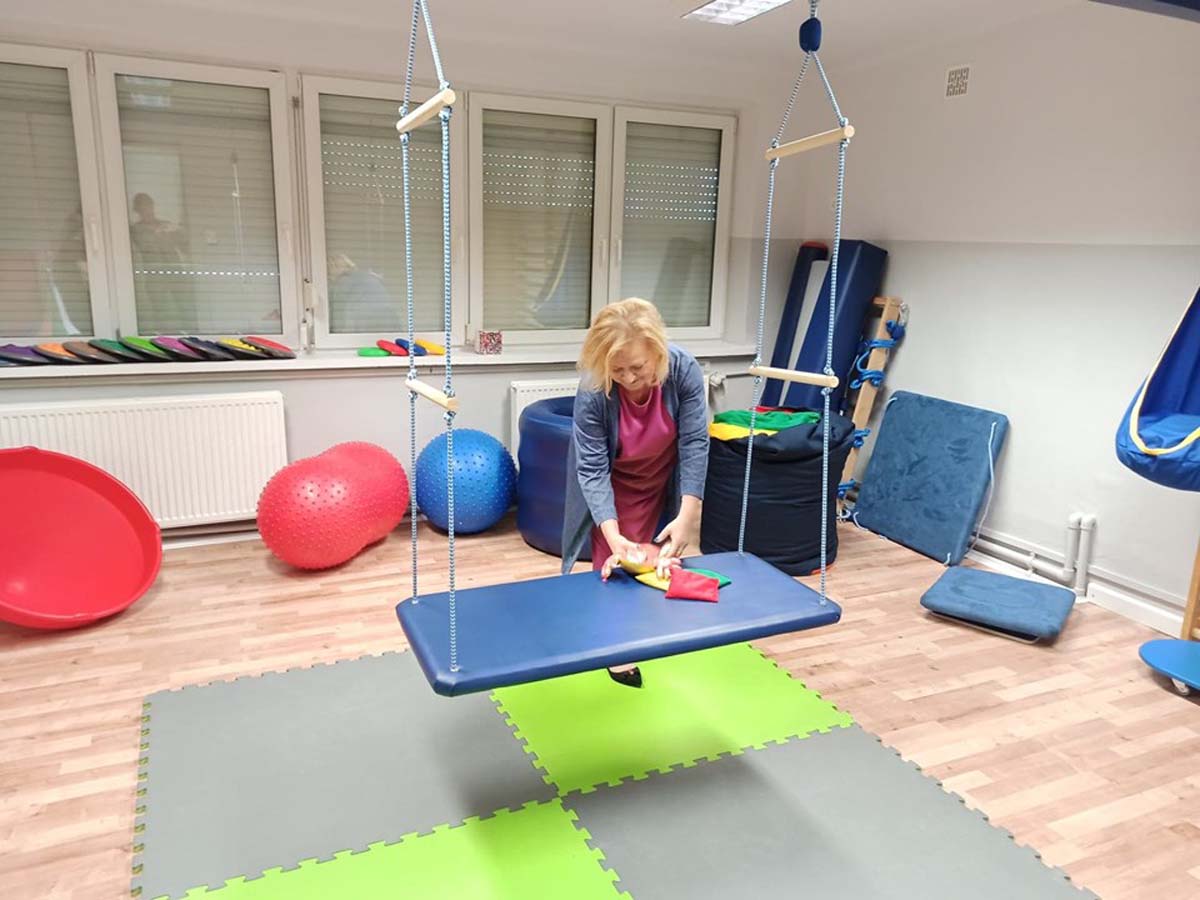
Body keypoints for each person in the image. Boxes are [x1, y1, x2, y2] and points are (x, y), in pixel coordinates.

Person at [561, 298, 710, 688]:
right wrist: (613, 536)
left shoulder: (683, 370)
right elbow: (592, 470)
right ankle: (616, 649)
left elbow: (695, 442)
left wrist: (688, 516)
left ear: (657, 353)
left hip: (661, 473)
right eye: (618, 369)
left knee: (656, 558)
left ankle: (643, 629)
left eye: (639, 368)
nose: (628, 378)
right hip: (612, 482)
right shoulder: (594, 388)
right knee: (613, 562)